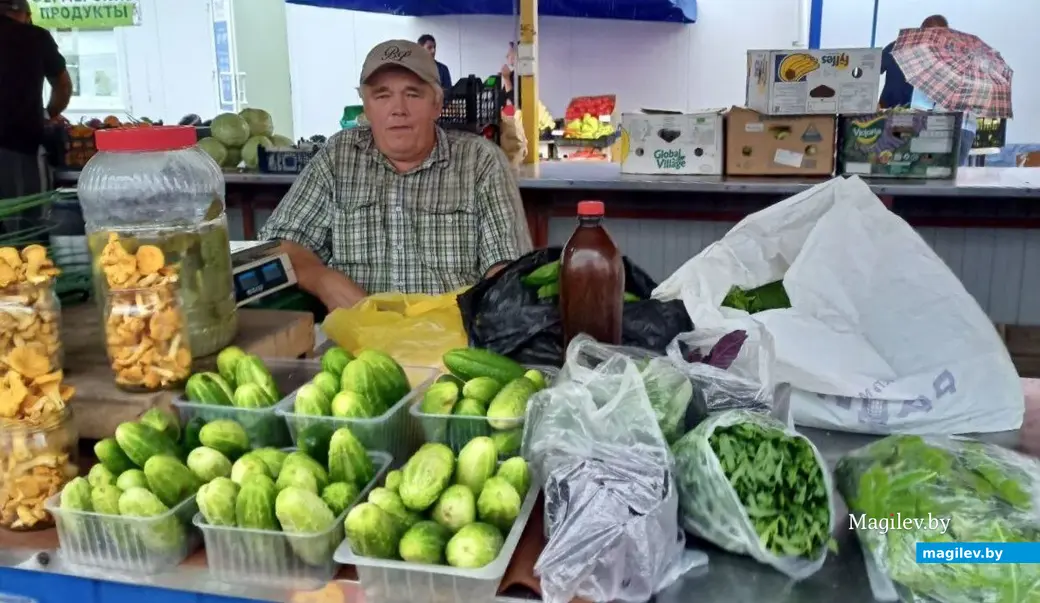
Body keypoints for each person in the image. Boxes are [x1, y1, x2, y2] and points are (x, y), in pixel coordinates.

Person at [258, 39, 532, 311]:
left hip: (451, 341)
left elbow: (508, 268)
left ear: (437, 104)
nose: (398, 109)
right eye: (382, 95)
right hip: (358, 341)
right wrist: (322, 279)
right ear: (366, 106)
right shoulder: (338, 157)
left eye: (413, 94)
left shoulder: (480, 161)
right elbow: (278, 245)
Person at [0, 0, 72, 200]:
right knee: (25, 222)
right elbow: (63, 86)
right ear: (25, 14)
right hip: (19, 145)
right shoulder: (35, 37)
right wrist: (48, 114)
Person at [879, 14, 947, 109]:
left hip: (922, 113)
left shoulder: (943, 60)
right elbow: (871, 70)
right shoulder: (898, 47)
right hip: (889, 110)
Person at [500, 42, 521, 109]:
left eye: (510, 52)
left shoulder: (525, 77)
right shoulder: (512, 74)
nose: (506, 56)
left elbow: (517, 106)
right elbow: (503, 102)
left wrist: (506, 79)